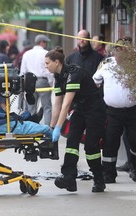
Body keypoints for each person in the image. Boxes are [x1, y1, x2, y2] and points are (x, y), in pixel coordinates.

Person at [45, 47, 106, 193]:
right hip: (80, 109)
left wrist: (59, 127)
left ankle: (99, 179)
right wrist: (52, 128)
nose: (45, 66)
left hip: (94, 109)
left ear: (57, 62)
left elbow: (66, 105)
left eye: (47, 63)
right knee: (72, 142)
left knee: (91, 147)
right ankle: (69, 179)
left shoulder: (74, 73)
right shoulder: (58, 77)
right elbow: (57, 104)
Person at [92, 38, 136, 183]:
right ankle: (108, 174)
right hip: (113, 112)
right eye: (118, 50)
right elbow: (96, 81)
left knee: (135, 141)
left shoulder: (135, 64)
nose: (120, 54)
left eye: (124, 50)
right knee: (110, 142)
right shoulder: (107, 64)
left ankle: (135, 169)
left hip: (133, 111)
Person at [20, 34, 54, 126]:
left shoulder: (26, 54)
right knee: (47, 107)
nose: (46, 44)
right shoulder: (46, 53)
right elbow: (48, 71)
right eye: (45, 42)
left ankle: (31, 128)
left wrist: (23, 85)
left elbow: (23, 71)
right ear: (42, 42)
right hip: (43, 81)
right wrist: (51, 83)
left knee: (31, 107)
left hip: (30, 82)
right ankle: (48, 128)